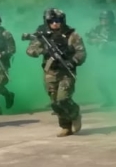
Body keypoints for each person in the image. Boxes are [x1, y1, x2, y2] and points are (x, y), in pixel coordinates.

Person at [25, 8, 86, 137]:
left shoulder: (72, 35)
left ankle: (75, 113)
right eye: (51, 21)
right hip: (50, 72)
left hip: (66, 72)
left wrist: (73, 61)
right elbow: (30, 51)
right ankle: (65, 126)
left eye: (57, 21)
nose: (54, 23)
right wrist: (43, 50)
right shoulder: (42, 35)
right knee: (54, 103)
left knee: (63, 99)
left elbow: (81, 52)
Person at [87, 10, 116, 108]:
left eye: (106, 18)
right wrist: (96, 40)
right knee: (99, 79)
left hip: (114, 56)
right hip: (102, 56)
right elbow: (89, 40)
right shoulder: (97, 28)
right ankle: (108, 99)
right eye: (102, 18)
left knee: (113, 78)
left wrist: (114, 43)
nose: (104, 20)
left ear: (111, 19)